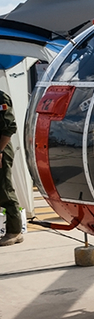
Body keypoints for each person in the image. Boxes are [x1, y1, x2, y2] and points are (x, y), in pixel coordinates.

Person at [0, 88, 22, 246]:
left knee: (4, 189)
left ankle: (14, 231)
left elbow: (9, 128)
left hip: (1, 149)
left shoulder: (1, 98)